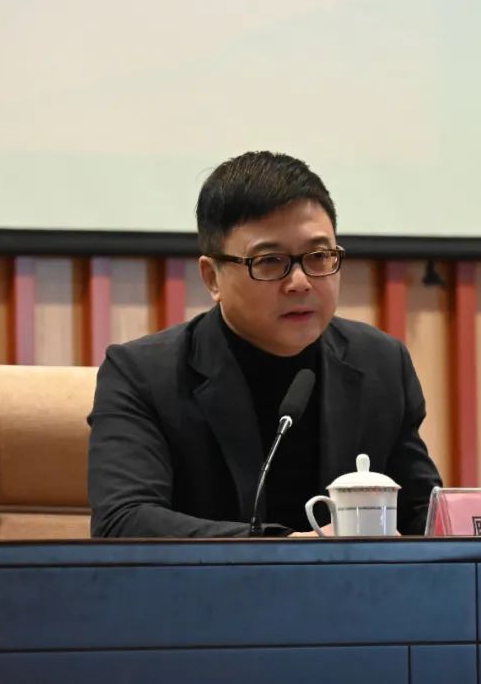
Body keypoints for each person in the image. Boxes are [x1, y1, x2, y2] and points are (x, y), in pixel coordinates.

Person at [88, 151, 442, 537]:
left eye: (319, 256)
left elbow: (422, 514)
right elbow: (123, 522)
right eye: (270, 261)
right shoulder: (143, 376)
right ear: (212, 278)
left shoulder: (381, 364)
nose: (300, 282)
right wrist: (287, 548)